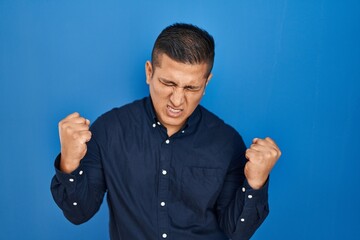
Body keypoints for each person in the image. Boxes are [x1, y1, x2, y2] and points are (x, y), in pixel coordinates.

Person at [51, 23, 281, 240]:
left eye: (191, 87)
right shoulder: (110, 130)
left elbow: (237, 232)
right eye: (169, 83)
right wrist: (69, 161)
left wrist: (255, 183)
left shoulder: (227, 142)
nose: (178, 100)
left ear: (207, 83)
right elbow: (78, 213)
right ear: (149, 72)